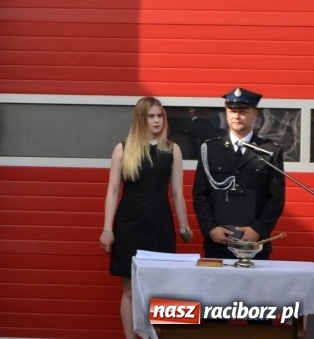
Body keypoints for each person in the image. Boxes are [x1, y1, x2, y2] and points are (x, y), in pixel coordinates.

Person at [100, 96, 193, 339]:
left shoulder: (172, 149)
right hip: (129, 223)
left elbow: (177, 193)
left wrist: (184, 227)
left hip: (160, 222)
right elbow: (112, 191)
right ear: (141, 119)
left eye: (160, 115)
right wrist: (107, 229)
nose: (156, 120)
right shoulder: (123, 149)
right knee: (129, 289)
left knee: (161, 288)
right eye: (151, 116)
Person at [193, 87, 285, 260]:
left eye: (242, 111)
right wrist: (211, 228)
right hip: (218, 242)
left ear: (254, 114)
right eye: (232, 111)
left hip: (254, 244)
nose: (236, 116)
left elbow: (276, 198)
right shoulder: (210, 149)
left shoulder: (269, 151)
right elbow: (200, 195)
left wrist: (258, 230)